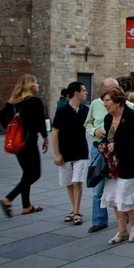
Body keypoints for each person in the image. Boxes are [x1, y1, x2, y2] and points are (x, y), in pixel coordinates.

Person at [100, 86, 134, 245]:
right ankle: (122, 230)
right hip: (112, 164)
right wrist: (103, 144)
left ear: (118, 101)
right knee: (113, 196)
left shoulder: (133, 117)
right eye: (103, 101)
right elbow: (109, 139)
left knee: (123, 193)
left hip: (130, 163)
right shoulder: (108, 119)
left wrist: (118, 146)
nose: (105, 104)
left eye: (107, 100)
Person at [84, 77, 130, 233]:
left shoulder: (126, 105)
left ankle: (125, 214)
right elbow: (87, 123)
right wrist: (94, 131)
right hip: (99, 148)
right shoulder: (96, 104)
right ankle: (99, 220)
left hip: (118, 151)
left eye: (115, 90)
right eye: (109, 91)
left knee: (121, 185)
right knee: (98, 186)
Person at [0, 74, 47, 217]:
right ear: (30, 85)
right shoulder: (34, 101)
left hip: (18, 142)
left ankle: (26, 206)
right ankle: (8, 198)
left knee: (27, 173)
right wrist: (45, 138)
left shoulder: (12, 103)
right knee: (35, 174)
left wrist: (13, 128)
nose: (38, 85)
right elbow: (40, 122)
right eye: (36, 83)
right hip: (29, 141)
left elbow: (0, 118)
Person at [51, 81, 89, 226]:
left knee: (77, 182)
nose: (86, 93)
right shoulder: (62, 111)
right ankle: (74, 210)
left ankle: (77, 212)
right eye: (84, 90)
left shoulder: (86, 110)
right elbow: (54, 131)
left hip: (81, 151)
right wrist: (56, 154)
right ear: (76, 93)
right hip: (65, 152)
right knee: (69, 183)